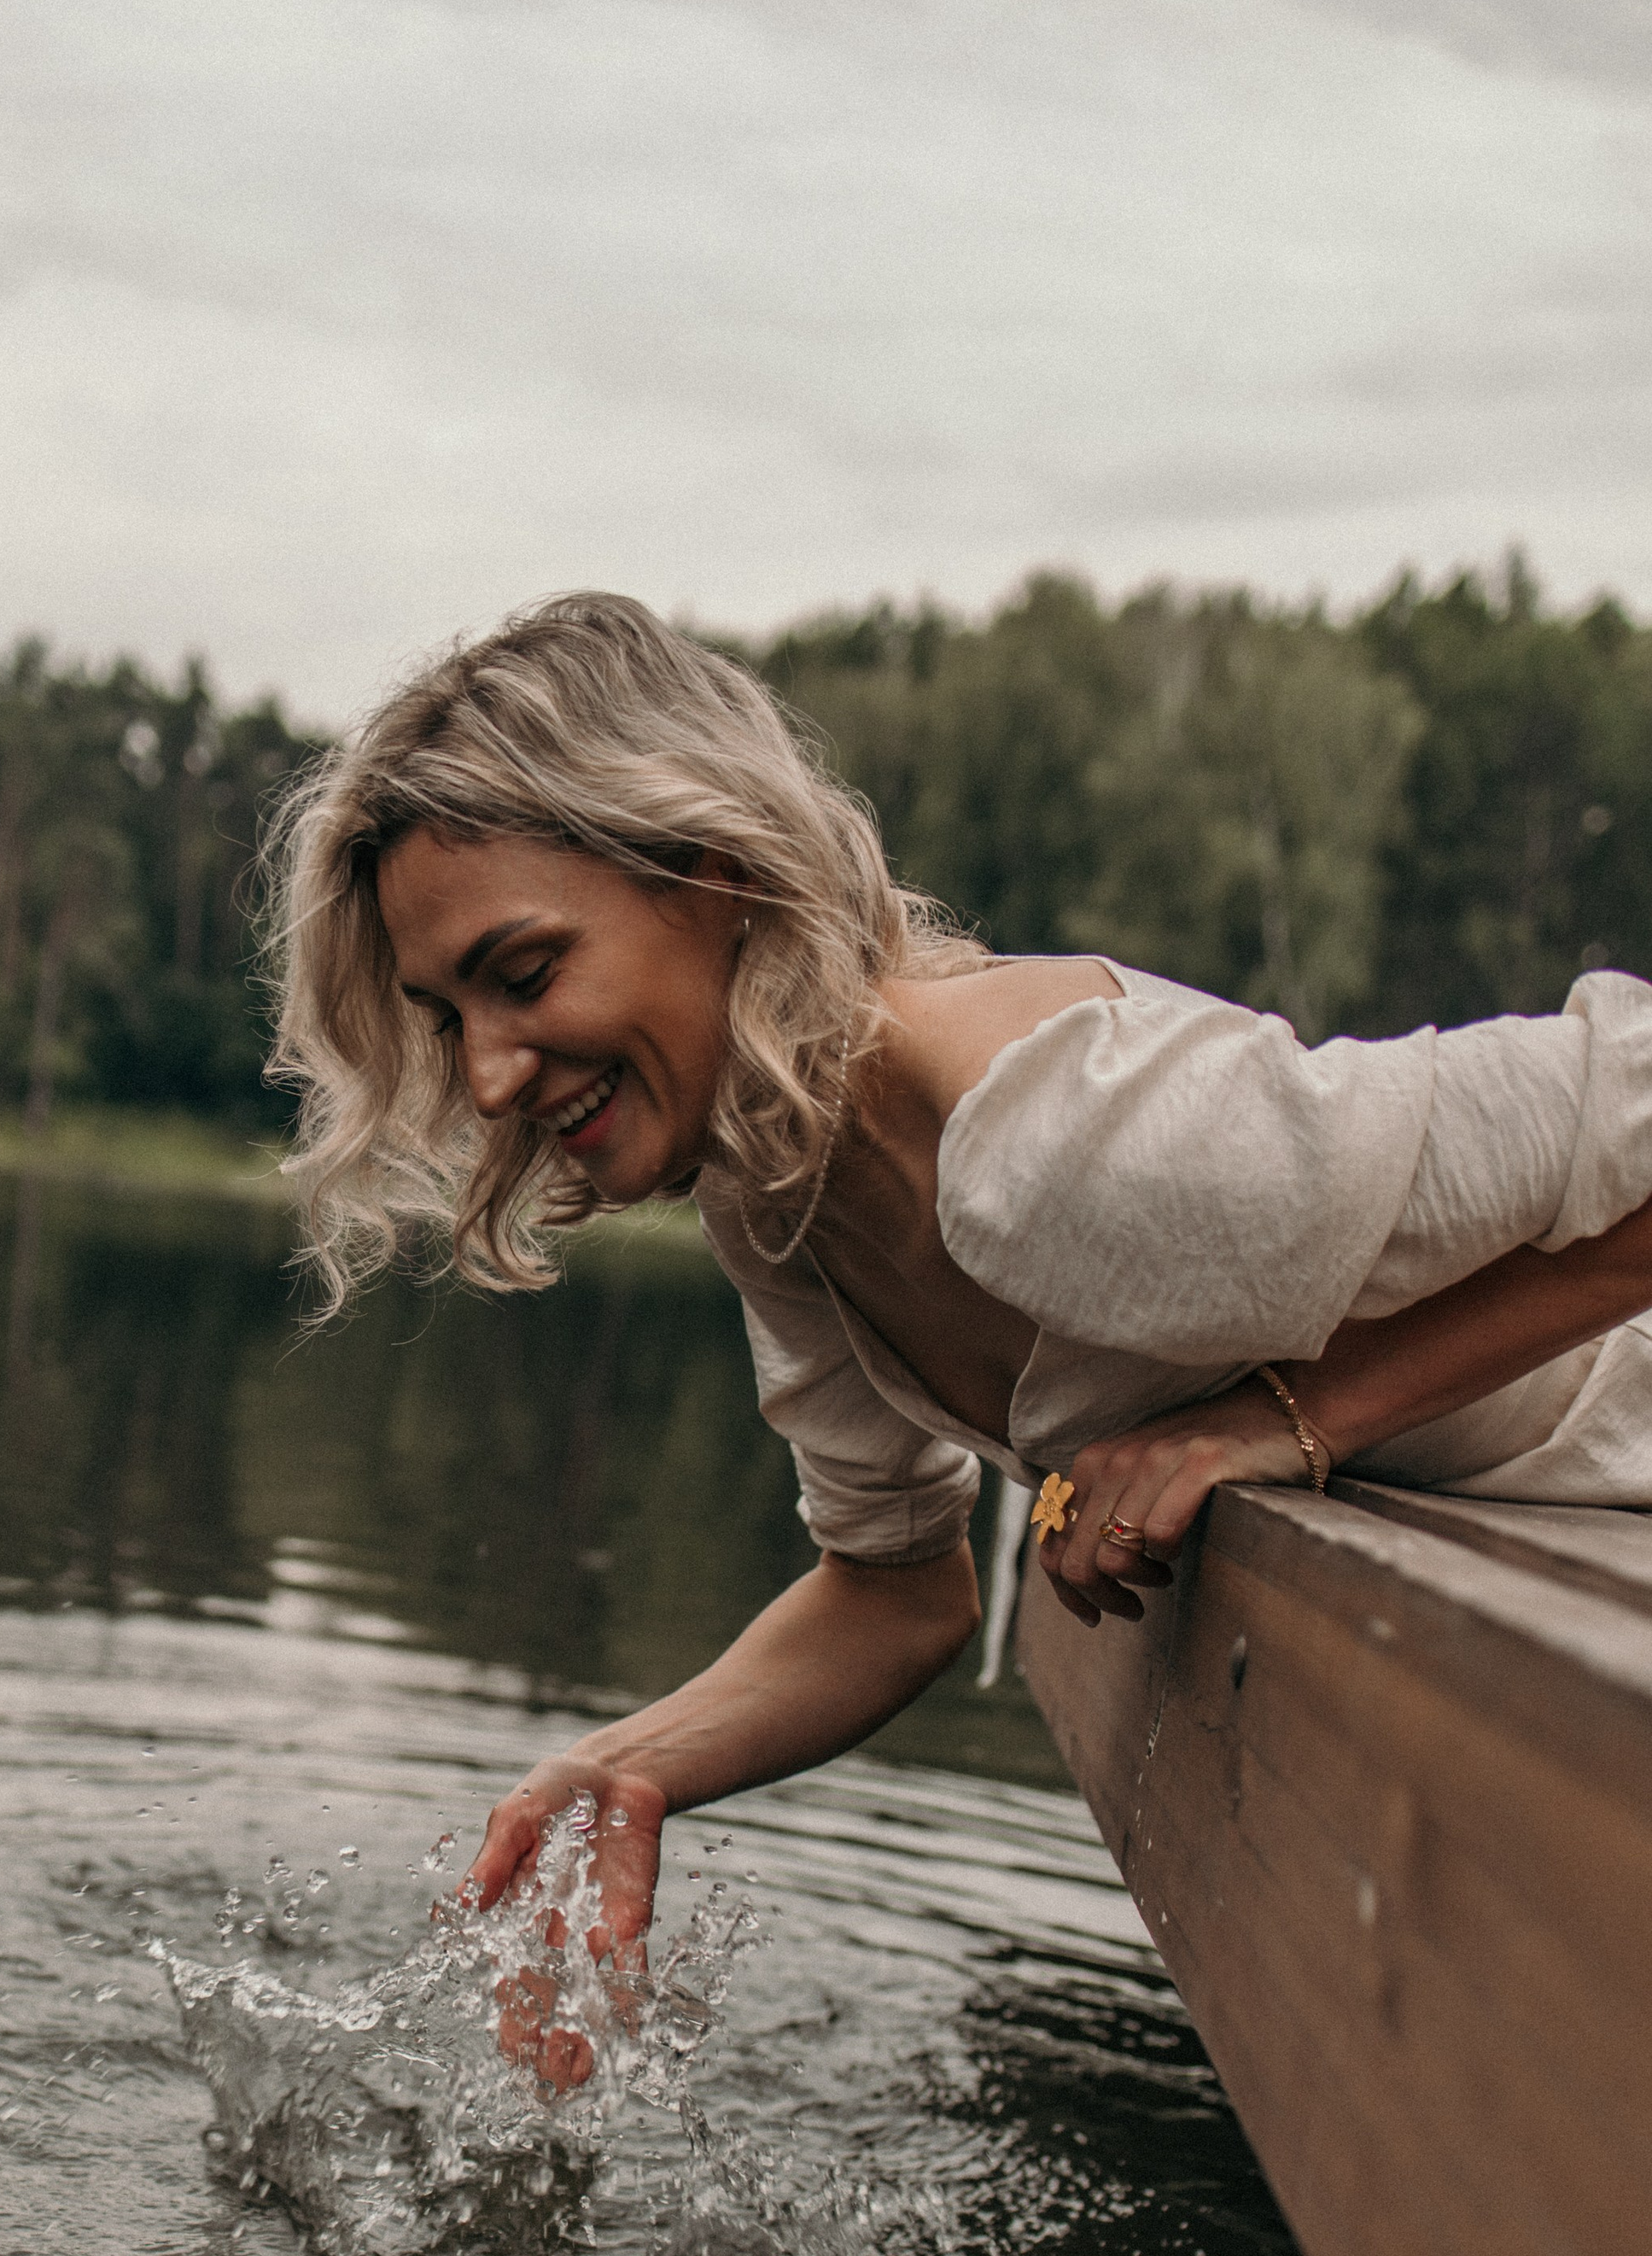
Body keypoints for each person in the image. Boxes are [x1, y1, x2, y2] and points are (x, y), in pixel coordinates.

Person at [266, 591, 1652, 1962]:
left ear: (714, 872)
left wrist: (1290, 1419)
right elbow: (895, 1593)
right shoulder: (781, 1187)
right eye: (447, 1017)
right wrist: (624, 1766)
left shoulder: (1060, 1133)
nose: (488, 1076)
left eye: (523, 973)